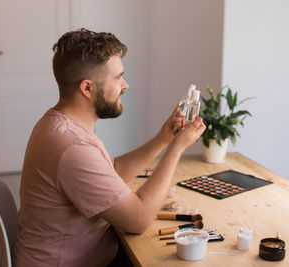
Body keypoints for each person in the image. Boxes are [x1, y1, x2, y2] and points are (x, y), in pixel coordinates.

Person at [12, 28, 205, 266]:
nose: (125, 85)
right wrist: (176, 149)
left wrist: (163, 139)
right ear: (87, 88)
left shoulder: (60, 123)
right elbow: (139, 219)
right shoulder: (72, 146)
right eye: (117, 77)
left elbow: (111, 170)